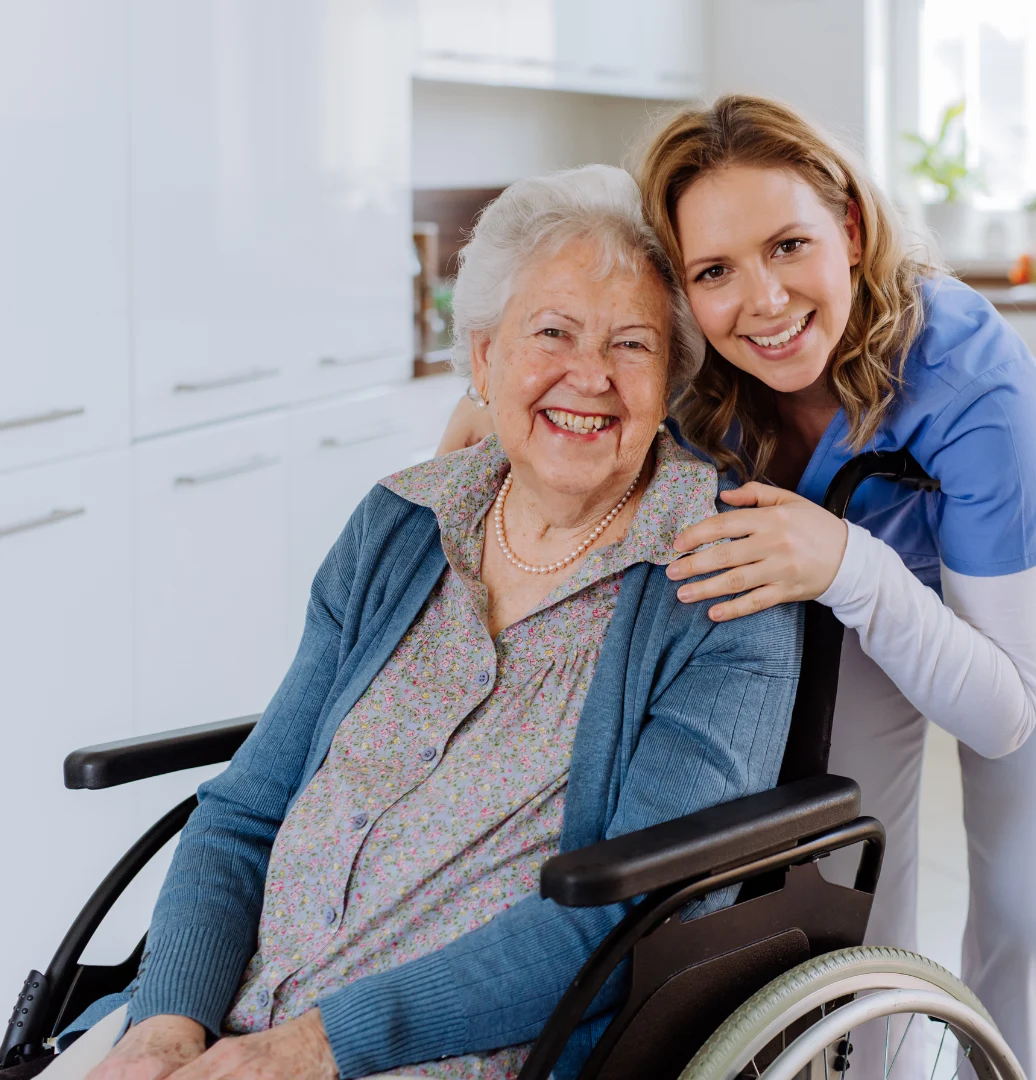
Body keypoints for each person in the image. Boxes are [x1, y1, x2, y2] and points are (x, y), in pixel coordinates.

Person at [439, 96, 1036, 1080]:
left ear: (850, 230)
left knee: (1033, 914)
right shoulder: (701, 372)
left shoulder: (970, 381)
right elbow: (554, 386)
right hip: (846, 584)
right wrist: (481, 423)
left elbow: (1003, 712)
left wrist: (850, 565)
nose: (764, 302)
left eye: (788, 246)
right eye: (716, 272)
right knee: (843, 873)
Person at [41, 165, 803, 1080]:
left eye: (631, 345)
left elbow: (630, 914)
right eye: (551, 332)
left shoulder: (720, 576)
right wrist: (165, 1025)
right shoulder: (400, 523)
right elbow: (244, 815)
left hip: (456, 1051)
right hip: (221, 1025)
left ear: (671, 376)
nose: (589, 376)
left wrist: (316, 1048)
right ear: (484, 359)